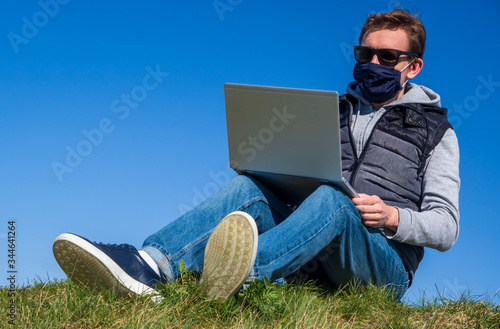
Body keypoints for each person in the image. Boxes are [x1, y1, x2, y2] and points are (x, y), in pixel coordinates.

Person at [53, 9, 460, 302]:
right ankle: (151, 264)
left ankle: (239, 276)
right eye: (364, 54)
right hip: (313, 259)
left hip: (381, 266)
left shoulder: (436, 131)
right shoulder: (327, 112)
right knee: (251, 186)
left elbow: (446, 227)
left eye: (387, 58)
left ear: (414, 66)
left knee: (336, 202)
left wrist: (392, 217)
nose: (373, 64)